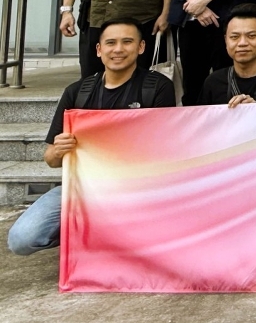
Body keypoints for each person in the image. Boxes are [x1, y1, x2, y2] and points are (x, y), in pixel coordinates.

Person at [6, 18, 175, 257]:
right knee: (22, 239)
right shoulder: (77, 92)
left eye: (127, 42)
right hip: (83, 188)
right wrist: (59, 149)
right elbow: (51, 159)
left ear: (141, 47)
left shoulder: (157, 87)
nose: (118, 49)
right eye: (110, 43)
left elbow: (165, 149)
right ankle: (81, 234)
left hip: (139, 188)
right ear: (98, 49)